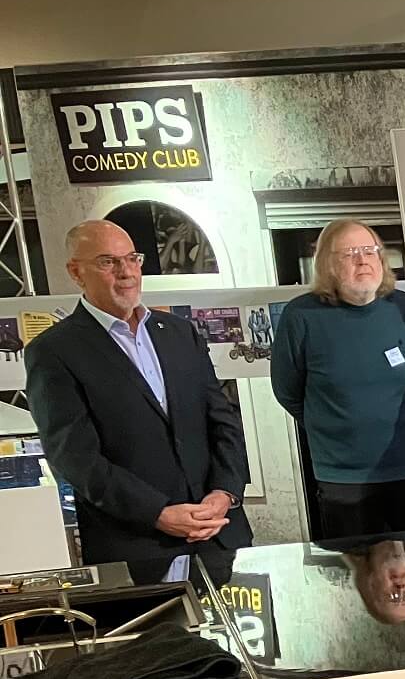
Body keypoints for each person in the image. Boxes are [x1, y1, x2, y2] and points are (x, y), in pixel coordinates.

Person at [25, 219, 251, 580]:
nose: (126, 272)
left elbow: (223, 422)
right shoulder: (54, 351)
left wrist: (225, 492)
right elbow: (75, 459)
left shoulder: (179, 333)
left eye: (132, 259)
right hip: (138, 549)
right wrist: (158, 512)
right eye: (108, 262)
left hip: (218, 536)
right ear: (76, 272)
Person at [271, 219, 405, 539]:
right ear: (328, 265)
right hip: (343, 479)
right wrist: (334, 425)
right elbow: (287, 391)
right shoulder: (301, 317)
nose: (362, 260)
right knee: (356, 572)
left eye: (369, 251)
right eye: (349, 253)